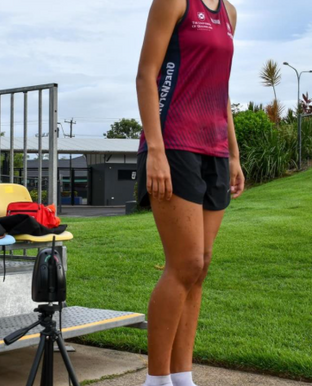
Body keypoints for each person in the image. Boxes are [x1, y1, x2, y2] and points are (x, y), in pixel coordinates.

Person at [135, 0, 244, 385]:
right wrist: (156, 151)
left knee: (200, 267)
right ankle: (157, 380)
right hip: (174, 144)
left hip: (213, 148)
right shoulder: (174, 2)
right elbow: (146, 75)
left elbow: (221, 89)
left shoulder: (230, 13)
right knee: (184, 264)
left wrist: (233, 152)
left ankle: (183, 377)